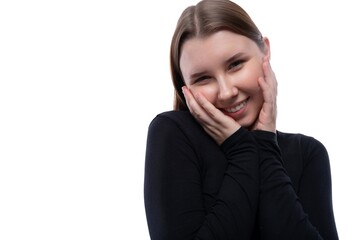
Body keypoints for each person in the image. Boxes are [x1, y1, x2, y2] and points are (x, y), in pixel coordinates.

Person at [144, 0, 339, 239]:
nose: (226, 92)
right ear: (185, 88)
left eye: (236, 64)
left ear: (265, 51)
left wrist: (265, 142)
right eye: (203, 78)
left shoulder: (307, 153)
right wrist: (242, 148)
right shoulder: (174, 133)